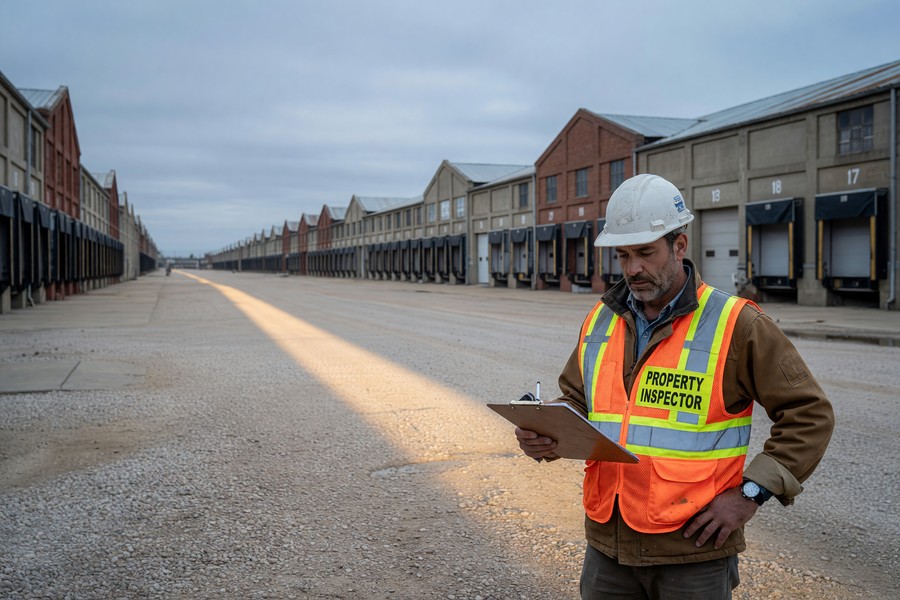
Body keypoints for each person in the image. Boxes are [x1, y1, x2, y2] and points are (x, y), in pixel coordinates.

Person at [515, 174, 834, 600]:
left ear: (679, 246)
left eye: (645, 253)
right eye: (623, 255)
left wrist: (752, 493)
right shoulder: (601, 319)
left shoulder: (737, 324)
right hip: (608, 545)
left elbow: (809, 414)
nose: (632, 269)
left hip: (694, 550)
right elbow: (579, 400)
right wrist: (544, 432)